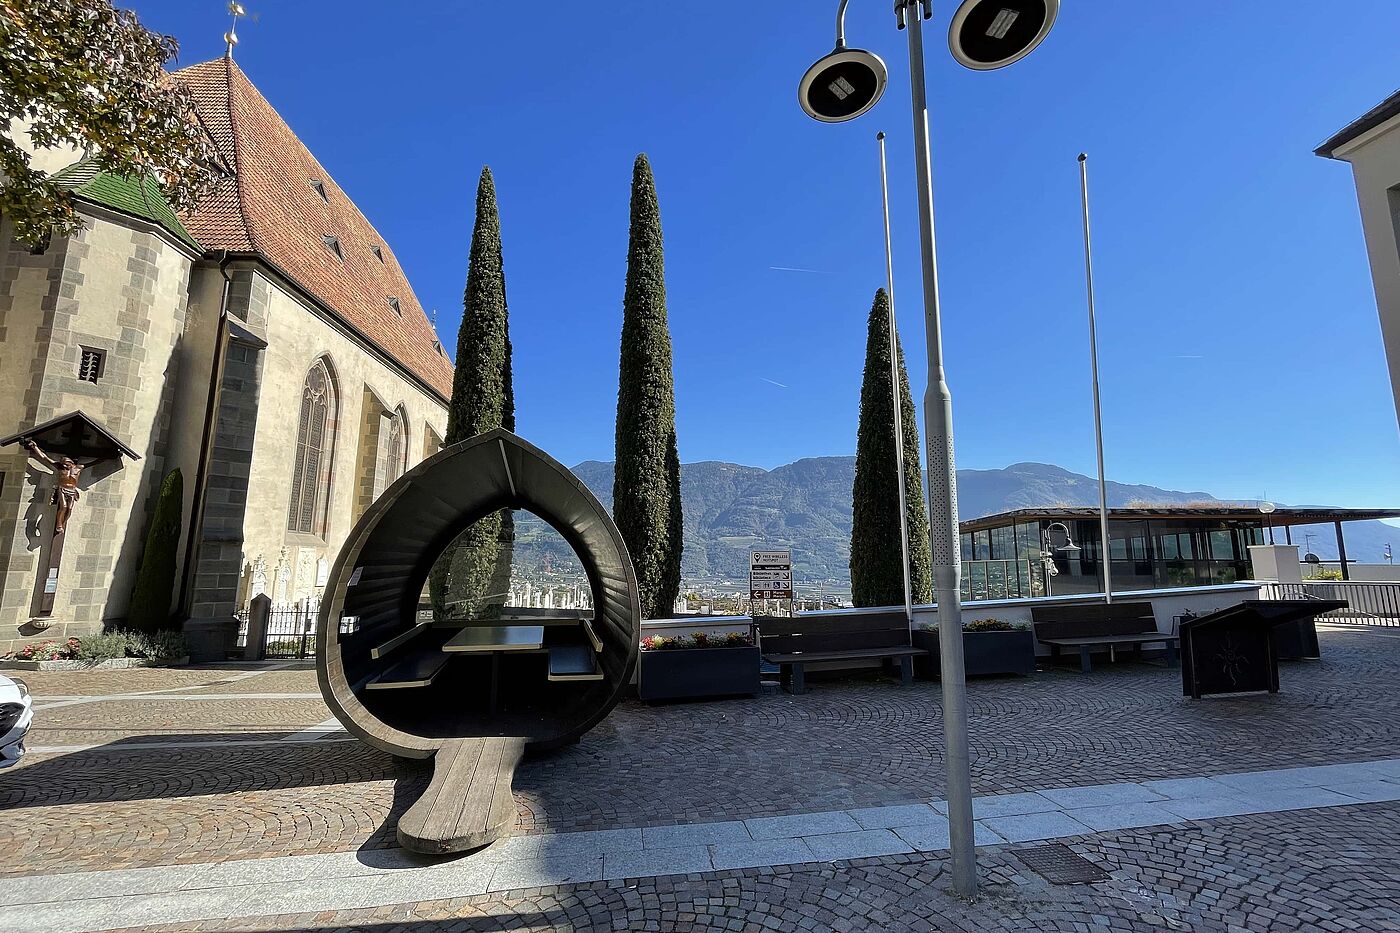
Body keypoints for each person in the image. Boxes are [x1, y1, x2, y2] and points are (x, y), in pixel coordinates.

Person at [22, 438, 84, 534]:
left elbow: (95, 462)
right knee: (63, 506)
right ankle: (59, 524)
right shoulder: (59, 467)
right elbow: (44, 458)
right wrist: (35, 447)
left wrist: (113, 455)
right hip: (62, 488)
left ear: (71, 464)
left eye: (66, 464)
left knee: (69, 509)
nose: (64, 466)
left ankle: (62, 523)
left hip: (72, 490)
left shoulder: (78, 468)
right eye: (63, 464)